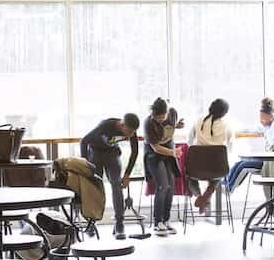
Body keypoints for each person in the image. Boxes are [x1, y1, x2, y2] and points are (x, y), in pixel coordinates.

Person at [80, 113, 140, 239]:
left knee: (117, 185)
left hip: (112, 154)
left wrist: (127, 174)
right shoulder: (105, 125)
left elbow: (135, 152)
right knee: (95, 188)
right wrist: (85, 164)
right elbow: (84, 141)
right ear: (122, 125)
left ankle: (119, 224)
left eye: (133, 132)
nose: (130, 135)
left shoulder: (131, 129)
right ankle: (91, 223)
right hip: (96, 153)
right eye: (129, 132)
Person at [226, 97, 274, 191]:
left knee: (243, 165)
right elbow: (251, 129)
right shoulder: (266, 126)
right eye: (260, 119)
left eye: (263, 119)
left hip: (270, 162)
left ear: (271, 116)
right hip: (266, 158)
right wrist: (233, 130)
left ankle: (229, 188)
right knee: (239, 162)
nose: (261, 121)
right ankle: (226, 183)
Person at [144, 98, 184, 236]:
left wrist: (177, 125)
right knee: (163, 186)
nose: (160, 119)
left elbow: (170, 125)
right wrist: (173, 152)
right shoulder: (148, 123)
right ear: (153, 113)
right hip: (154, 155)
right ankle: (158, 222)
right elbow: (156, 148)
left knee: (170, 186)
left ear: (167, 112)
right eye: (157, 117)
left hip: (169, 151)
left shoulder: (173, 113)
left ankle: (166, 220)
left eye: (163, 116)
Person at [188, 98, 235, 214]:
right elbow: (230, 146)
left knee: (189, 175)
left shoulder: (199, 120)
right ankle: (208, 193)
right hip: (217, 167)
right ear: (224, 113)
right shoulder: (227, 124)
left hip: (197, 167)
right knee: (221, 172)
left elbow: (189, 141)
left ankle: (198, 195)